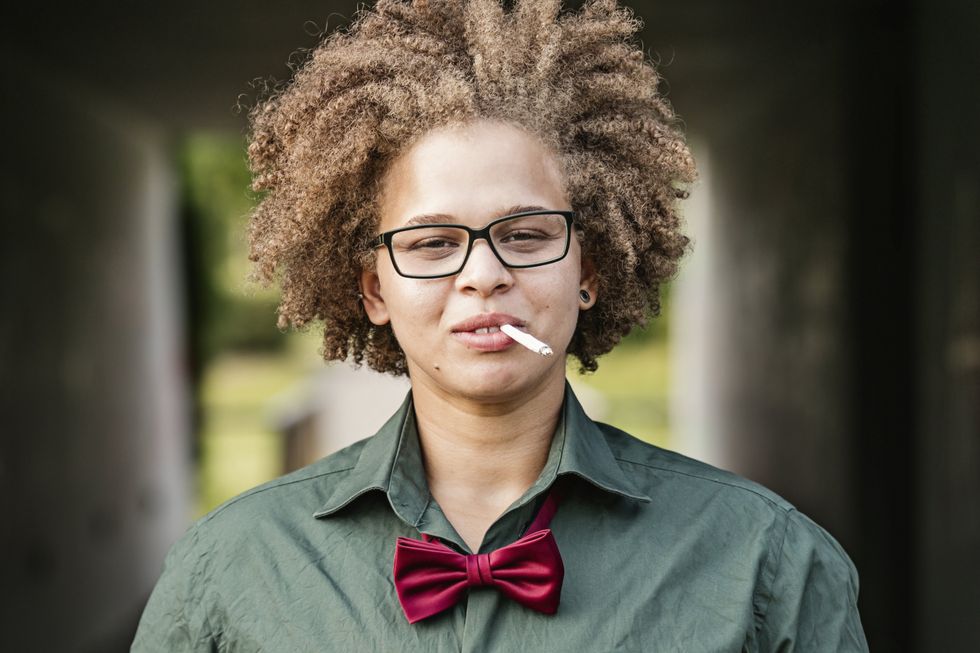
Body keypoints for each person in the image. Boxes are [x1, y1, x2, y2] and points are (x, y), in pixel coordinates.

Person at [132, 0, 869, 650]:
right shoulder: (227, 568)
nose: (483, 274)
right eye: (431, 243)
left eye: (525, 235)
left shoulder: (767, 560)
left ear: (589, 271)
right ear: (373, 289)